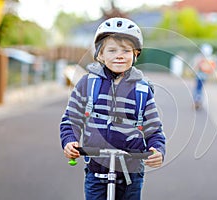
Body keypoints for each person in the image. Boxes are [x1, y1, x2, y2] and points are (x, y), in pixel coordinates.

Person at [59, 17, 166, 200]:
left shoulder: (142, 90)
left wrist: (157, 149)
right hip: (97, 170)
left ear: (136, 54)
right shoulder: (88, 84)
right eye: (112, 50)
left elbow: (154, 129)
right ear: (100, 54)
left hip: (131, 173)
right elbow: (71, 120)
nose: (119, 55)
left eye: (126, 50)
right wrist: (69, 141)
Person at [193, 44, 216, 109]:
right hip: (205, 76)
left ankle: (197, 100)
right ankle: (198, 100)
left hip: (199, 76)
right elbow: (212, 69)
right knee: (200, 88)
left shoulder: (200, 58)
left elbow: (196, 66)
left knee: (198, 88)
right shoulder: (211, 59)